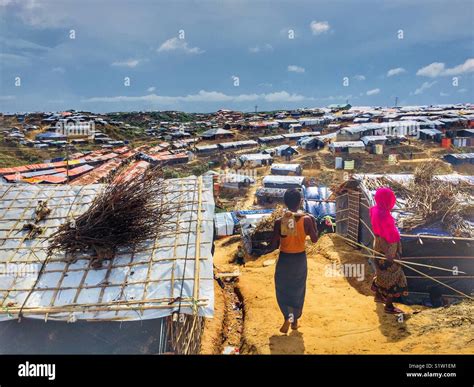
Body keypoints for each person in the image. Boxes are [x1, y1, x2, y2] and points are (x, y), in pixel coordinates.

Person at [271, 188, 318, 334]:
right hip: (299, 259)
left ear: (285, 202)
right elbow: (315, 240)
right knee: (298, 290)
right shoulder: (307, 219)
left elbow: (274, 245)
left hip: (285, 259)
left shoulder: (281, 221)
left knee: (284, 289)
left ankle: (288, 316)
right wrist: (314, 223)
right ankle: (294, 321)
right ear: (300, 202)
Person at [369, 187, 408, 314]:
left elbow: (377, 234)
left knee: (381, 273)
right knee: (396, 276)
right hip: (387, 249)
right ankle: (389, 306)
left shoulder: (375, 210)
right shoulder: (384, 215)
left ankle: (379, 296)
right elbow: (383, 235)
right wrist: (388, 253)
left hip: (378, 248)